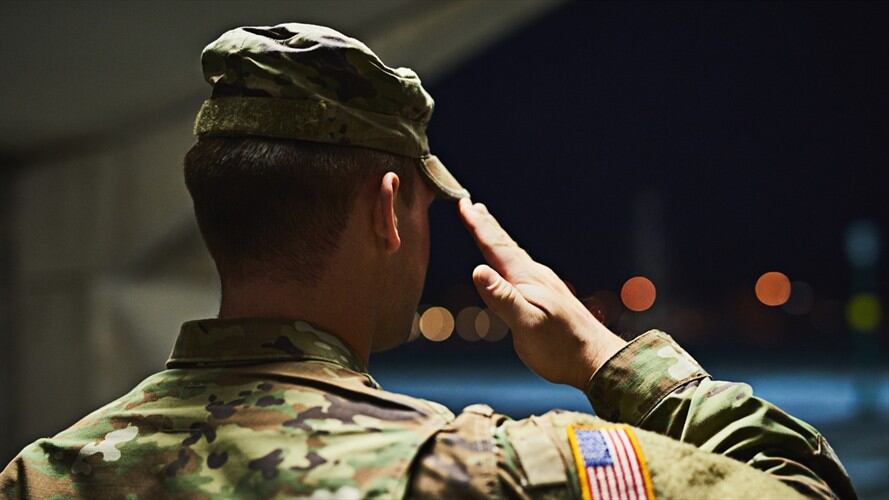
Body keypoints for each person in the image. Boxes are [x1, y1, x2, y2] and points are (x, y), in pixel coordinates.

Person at [1, 23, 856, 500]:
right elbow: (807, 490)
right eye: (420, 201)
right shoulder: (484, 475)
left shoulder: (42, 474)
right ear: (386, 210)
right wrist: (609, 360)